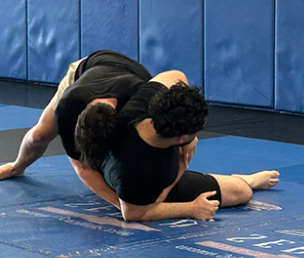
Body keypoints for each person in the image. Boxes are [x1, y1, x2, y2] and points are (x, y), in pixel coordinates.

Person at [76, 70, 279, 222]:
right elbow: (133, 213)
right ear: (181, 138)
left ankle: (244, 179)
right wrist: (191, 208)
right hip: (134, 188)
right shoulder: (142, 171)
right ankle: (246, 180)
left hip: (122, 165)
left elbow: (175, 74)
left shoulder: (144, 106)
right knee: (242, 191)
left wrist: (191, 137)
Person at [0, 50, 152, 186]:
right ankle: (16, 167)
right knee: (39, 136)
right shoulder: (70, 103)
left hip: (133, 75)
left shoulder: (142, 99)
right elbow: (81, 168)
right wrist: (123, 207)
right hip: (89, 67)